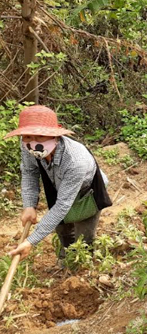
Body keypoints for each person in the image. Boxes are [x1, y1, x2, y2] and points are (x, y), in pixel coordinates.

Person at [6, 105, 111, 260]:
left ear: (54, 136)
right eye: (27, 136)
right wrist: (29, 205)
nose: (33, 142)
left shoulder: (75, 161)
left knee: (84, 237)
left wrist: (30, 241)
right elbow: (30, 173)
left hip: (87, 192)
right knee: (63, 230)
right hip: (59, 187)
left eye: (40, 136)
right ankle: (65, 260)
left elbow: (62, 206)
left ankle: (81, 266)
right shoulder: (27, 146)